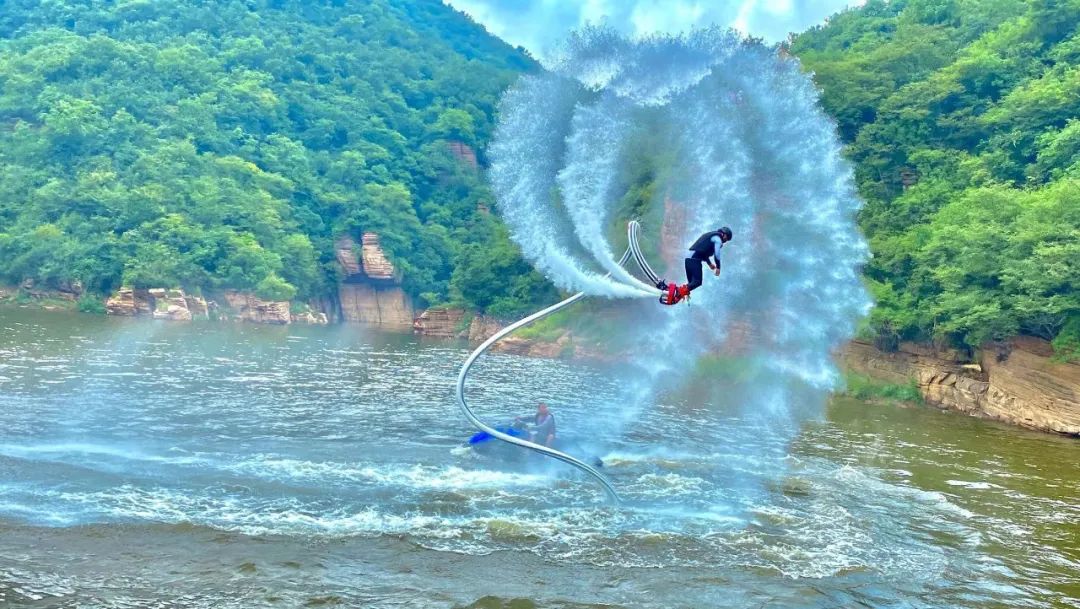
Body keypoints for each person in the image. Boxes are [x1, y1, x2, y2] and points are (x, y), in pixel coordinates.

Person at [660, 226, 732, 305]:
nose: (725, 241)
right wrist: (718, 267)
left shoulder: (710, 235)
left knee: (692, 283)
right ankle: (677, 292)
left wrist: (709, 264)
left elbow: (702, 251)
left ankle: (671, 291)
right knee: (697, 282)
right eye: (726, 239)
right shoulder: (718, 238)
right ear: (724, 235)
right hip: (694, 260)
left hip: (688, 259)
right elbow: (717, 253)